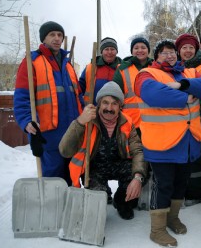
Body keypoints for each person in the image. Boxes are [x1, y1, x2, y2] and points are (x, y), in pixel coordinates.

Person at [134, 40, 201, 247]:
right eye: (164, 53)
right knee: (163, 185)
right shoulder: (146, 74)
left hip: (187, 142)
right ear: (156, 56)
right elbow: (153, 94)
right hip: (161, 145)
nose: (169, 56)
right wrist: (185, 98)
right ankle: (157, 229)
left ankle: (173, 217)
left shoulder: (189, 73)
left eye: (172, 52)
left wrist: (180, 85)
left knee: (180, 183)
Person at [58, 82, 147, 220]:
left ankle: (121, 201)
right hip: (95, 169)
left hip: (120, 165)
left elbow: (138, 151)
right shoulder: (87, 120)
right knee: (97, 203)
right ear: (99, 104)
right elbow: (65, 150)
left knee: (140, 176)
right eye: (105, 103)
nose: (109, 108)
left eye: (114, 103)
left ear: (120, 106)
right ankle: (104, 194)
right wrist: (79, 122)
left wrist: (137, 177)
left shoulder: (127, 122)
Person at [13, 21, 83, 186]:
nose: (57, 38)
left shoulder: (68, 66)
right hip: (49, 134)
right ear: (44, 38)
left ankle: (71, 209)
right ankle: (54, 210)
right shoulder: (32, 62)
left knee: (73, 176)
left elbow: (78, 96)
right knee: (53, 179)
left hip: (72, 132)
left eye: (60, 35)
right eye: (52, 34)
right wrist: (26, 121)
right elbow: (22, 98)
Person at [175, 33, 201, 207]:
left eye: (191, 47)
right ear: (179, 51)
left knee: (196, 161)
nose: (188, 51)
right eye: (184, 48)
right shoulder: (175, 68)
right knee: (182, 161)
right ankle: (180, 193)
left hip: (196, 124)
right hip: (179, 124)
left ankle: (196, 195)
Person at [112, 36, 154, 135]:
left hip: (153, 121)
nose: (140, 50)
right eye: (136, 48)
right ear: (132, 51)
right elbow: (115, 95)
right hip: (131, 123)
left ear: (148, 50)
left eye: (143, 47)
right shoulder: (122, 69)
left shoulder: (155, 67)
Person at [80, 37, 123, 105]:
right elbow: (79, 89)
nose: (109, 52)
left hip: (114, 111)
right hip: (92, 110)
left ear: (116, 51)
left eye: (112, 49)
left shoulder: (123, 69)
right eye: (106, 49)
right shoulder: (91, 68)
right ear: (101, 52)